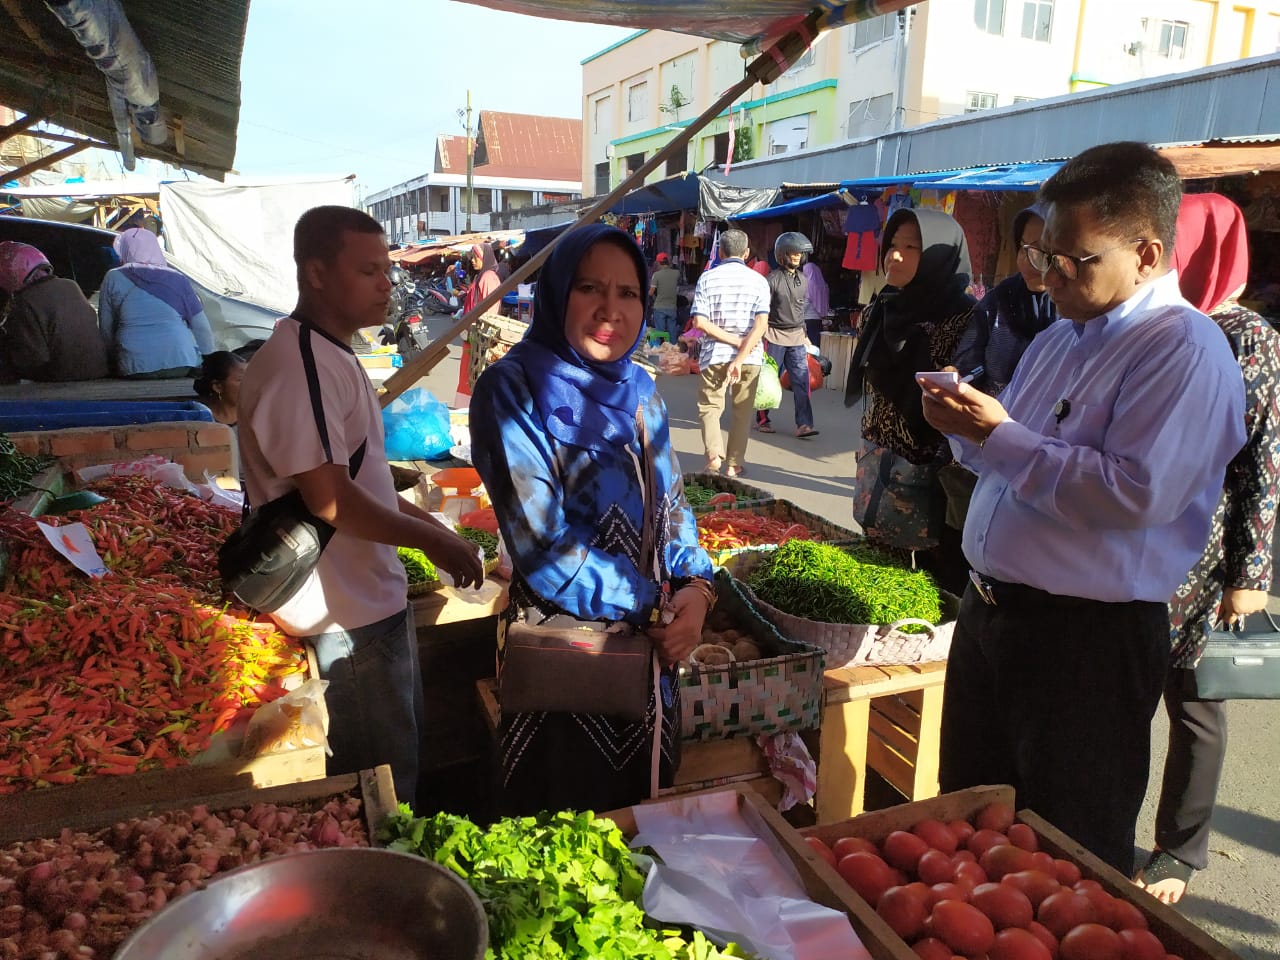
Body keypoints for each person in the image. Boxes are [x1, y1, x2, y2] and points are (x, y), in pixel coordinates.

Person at [919, 142, 1247, 874]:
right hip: (991, 615)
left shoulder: (1183, 349)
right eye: (1042, 254)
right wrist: (969, 434)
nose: (1050, 276)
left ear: (1146, 252)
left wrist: (997, 438)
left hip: (1083, 643)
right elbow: (1018, 456)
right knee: (968, 827)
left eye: (1074, 260)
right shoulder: (1062, 336)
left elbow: (1134, 493)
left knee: (1067, 854)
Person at [237, 205, 484, 806]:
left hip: (363, 601)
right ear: (316, 274)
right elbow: (327, 500)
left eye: (386, 271)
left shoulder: (329, 354)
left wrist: (430, 525)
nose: (385, 285)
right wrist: (435, 540)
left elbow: (363, 485)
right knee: (381, 791)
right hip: (343, 616)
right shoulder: (302, 366)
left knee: (397, 764)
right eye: (368, 271)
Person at [470, 223, 715, 815]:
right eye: (590, 289)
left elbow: (673, 506)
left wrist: (698, 592)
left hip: (649, 674)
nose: (611, 310)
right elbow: (544, 550)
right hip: (567, 665)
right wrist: (656, 604)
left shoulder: (639, 390)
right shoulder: (512, 391)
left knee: (643, 838)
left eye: (628, 293)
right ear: (558, 294)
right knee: (565, 850)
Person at [1135, 193, 1280, 902]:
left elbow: (1262, 458)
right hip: (1133, 539)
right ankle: (1101, 823)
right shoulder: (1158, 321)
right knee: (1122, 689)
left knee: (1194, 701)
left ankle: (1178, 850)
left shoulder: (1245, 334)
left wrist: (1251, 571)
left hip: (1203, 546)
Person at [844, 208, 976, 591]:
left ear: (939, 254)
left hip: (936, 470)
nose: (894, 256)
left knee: (938, 586)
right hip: (879, 461)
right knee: (881, 581)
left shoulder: (966, 317)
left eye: (911, 247)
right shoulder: (881, 306)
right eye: (892, 246)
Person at [952, 203, 1059, 396]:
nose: (1026, 260)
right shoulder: (999, 301)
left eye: (1041, 250)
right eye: (1023, 247)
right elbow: (969, 363)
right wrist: (961, 380)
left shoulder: (1082, 315)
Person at [688, 229, 771, 477]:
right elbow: (761, 326)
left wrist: (732, 341)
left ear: (720, 252)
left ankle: (714, 456)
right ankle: (734, 465)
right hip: (751, 358)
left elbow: (699, 324)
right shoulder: (759, 281)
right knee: (742, 412)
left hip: (714, 356)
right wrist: (741, 352)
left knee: (710, 408)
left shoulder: (707, 279)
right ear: (746, 253)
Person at [98, 227, 215, 379]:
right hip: (181, 363)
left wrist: (113, 360)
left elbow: (106, 328)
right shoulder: (177, 278)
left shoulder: (113, 277)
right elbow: (201, 326)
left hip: (134, 368)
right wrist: (210, 362)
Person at [0, 241, 108, 382]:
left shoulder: (26, 301)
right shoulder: (71, 285)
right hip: (97, 373)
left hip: (63, 381)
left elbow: (33, 358)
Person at [757, 232, 820, 438]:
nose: (796, 257)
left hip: (796, 337)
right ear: (782, 254)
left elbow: (799, 310)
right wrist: (760, 334)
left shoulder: (803, 279)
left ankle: (804, 424)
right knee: (768, 379)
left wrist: (805, 336)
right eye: (793, 253)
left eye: (799, 253)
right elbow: (762, 309)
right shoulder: (771, 280)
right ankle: (763, 419)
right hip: (773, 334)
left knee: (801, 380)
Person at [194, 351, 246, 426]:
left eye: (249, 378)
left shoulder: (257, 417)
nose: (249, 384)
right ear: (218, 386)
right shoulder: (199, 419)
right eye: (241, 379)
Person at [648, 251, 681, 343]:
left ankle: (658, 351)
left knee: (659, 333)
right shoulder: (676, 273)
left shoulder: (656, 275)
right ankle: (673, 350)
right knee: (672, 333)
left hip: (660, 307)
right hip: (672, 307)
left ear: (658, 263)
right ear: (667, 262)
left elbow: (651, 292)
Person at [463, 242, 500, 315]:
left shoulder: (489, 277)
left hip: (477, 323)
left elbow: (491, 307)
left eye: (475, 257)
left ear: (484, 258)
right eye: (472, 257)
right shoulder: (481, 276)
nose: (472, 260)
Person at [801, 258, 830, 347]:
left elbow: (804, 304)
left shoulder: (807, 285)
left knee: (807, 348)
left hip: (807, 321)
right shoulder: (824, 286)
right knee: (815, 347)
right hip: (818, 321)